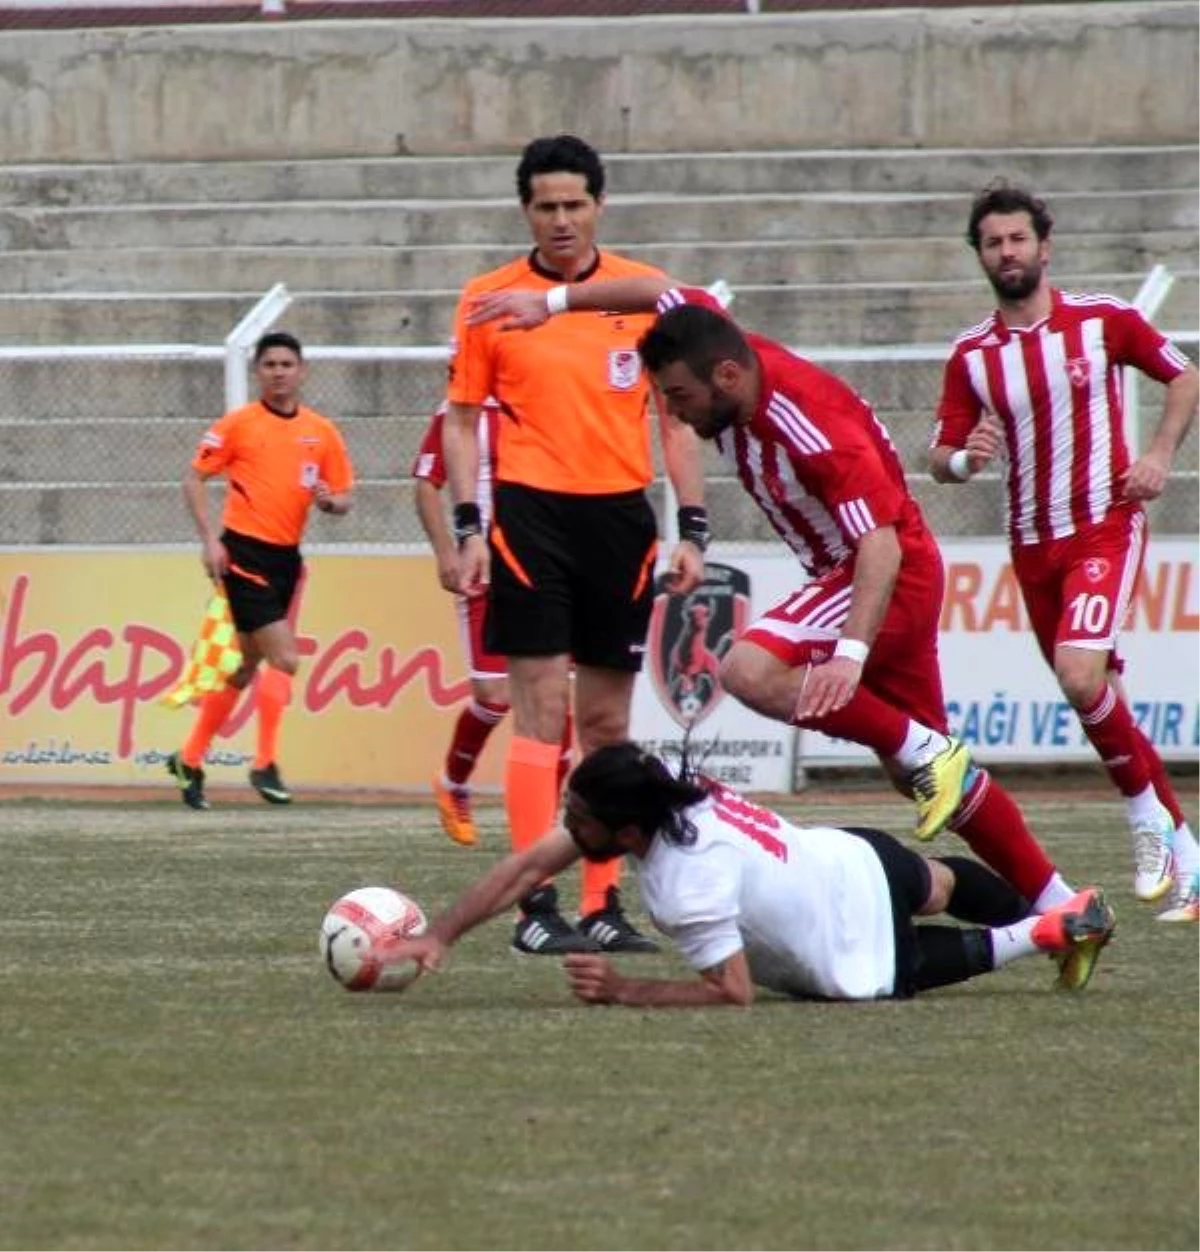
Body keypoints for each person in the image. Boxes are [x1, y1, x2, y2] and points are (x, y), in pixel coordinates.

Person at [467, 278, 1079, 919]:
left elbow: (881, 549)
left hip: (881, 572)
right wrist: (555, 303)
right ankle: (1065, 911)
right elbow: (669, 291)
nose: (674, 415)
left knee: (748, 671)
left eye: (679, 398)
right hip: (871, 571)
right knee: (928, 783)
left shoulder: (813, 425)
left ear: (727, 376)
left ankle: (926, 752)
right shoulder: (711, 343)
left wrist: (848, 654)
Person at [441, 134, 708, 954]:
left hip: (620, 522)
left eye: (575, 204)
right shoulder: (487, 298)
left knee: (606, 726)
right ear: (525, 209)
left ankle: (602, 905)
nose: (561, 219)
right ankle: (534, 909)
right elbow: (459, 420)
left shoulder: (639, 293)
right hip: (530, 518)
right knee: (541, 716)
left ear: (598, 205)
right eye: (546, 205)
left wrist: (690, 525)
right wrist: (466, 527)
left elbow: (676, 415)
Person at [929, 183, 1200, 923]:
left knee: (1083, 678)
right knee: (1097, 699)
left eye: (1018, 239)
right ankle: (1190, 857)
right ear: (981, 255)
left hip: (1103, 525)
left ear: (1043, 247)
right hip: (1031, 543)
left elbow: (1185, 375)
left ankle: (1146, 819)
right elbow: (941, 454)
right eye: (993, 242)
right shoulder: (972, 356)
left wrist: (1158, 455)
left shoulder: (1103, 320)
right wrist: (964, 461)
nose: (1007, 252)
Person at [389, 743, 1117, 1005]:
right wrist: (443, 933)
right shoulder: (665, 782)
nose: (567, 825)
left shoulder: (681, 886)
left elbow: (730, 993)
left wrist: (624, 990)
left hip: (847, 955)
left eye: (577, 815)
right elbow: (527, 867)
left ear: (624, 830)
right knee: (942, 883)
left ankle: (1053, 928)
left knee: (971, 953)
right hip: (849, 856)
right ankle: (1051, 909)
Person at [166, 331, 354, 809]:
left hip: (287, 558)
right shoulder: (238, 425)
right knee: (286, 658)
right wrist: (210, 540)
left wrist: (332, 504)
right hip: (243, 554)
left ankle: (188, 758)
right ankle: (264, 762)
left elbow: (344, 495)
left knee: (245, 667)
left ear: (302, 370)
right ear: (258, 373)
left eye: (286, 364)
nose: (278, 372)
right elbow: (194, 479)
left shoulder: (321, 431)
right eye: (269, 365)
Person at [412, 399, 573, 847]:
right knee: (495, 694)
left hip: (543, 564)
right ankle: (454, 782)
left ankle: (552, 813)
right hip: (483, 567)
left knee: (556, 693)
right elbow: (427, 484)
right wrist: (447, 551)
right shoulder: (460, 410)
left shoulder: (542, 397)